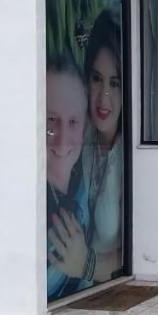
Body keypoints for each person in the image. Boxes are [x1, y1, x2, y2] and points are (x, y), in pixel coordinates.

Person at [46, 53, 93, 300]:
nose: (62, 140)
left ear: (85, 129)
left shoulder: (84, 182)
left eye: (73, 121)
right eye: (51, 120)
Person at [82, 10, 124, 282]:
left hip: (108, 288)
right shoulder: (77, 134)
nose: (103, 97)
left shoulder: (129, 159)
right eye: (97, 79)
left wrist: (85, 265)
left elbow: (136, 255)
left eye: (115, 83)